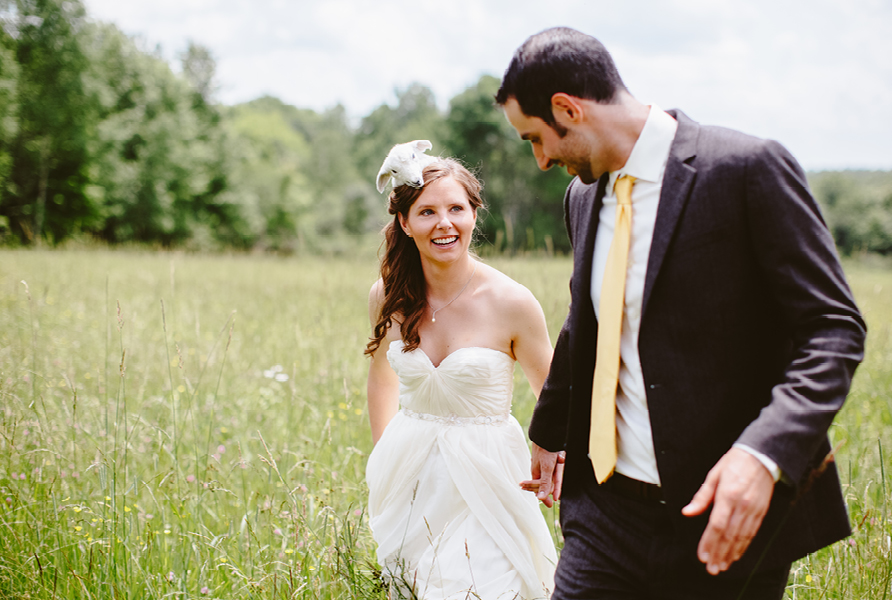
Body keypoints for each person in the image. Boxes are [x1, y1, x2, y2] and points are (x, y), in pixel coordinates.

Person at [495, 27, 867, 600]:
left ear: (569, 109)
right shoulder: (583, 196)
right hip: (604, 516)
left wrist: (763, 455)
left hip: (722, 516)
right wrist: (546, 433)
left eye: (536, 139)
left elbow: (833, 331)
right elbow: (588, 321)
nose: (541, 160)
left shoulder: (745, 169)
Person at [365, 157, 558, 599]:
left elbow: (550, 391)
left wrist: (551, 449)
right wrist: (385, 457)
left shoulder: (512, 302)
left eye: (456, 209)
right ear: (405, 222)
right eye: (427, 212)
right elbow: (381, 379)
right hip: (411, 475)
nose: (444, 223)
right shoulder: (387, 296)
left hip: (489, 475)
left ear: (474, 213)